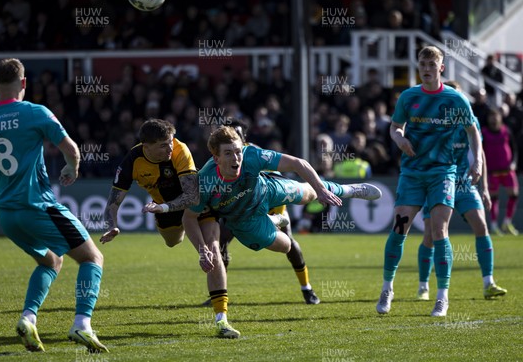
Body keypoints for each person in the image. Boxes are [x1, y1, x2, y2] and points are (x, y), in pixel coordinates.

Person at [182, 126, 381, 333]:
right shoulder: (203, 182)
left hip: (266, 191)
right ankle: (274, 221)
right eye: (228, 153)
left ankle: (351, 189)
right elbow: (189, 218)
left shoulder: (251, 155)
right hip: (244, 221)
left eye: (238, 151)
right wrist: (201, 249)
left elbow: (298, 163)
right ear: (216, 158)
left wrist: (322, 190)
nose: (236, 158)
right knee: (285, 246)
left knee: (308, 194)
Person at [0, 58, 108, 353]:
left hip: (8, 214)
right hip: (38, 205)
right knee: (92, 258)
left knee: (51, 261)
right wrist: (72, 169)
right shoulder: (35, 112)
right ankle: (82, 324)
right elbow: (71, 149)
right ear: (24, 83)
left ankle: (28, 318)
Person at [99, 119, 240, 338]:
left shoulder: (180, 150)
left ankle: (222, 320)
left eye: (171, 142)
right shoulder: (132, 161)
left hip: (197, 205)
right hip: (166, 214)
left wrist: (163, 207)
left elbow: (192, 196)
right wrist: (112, 226)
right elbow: (113, 202)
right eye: (163, 145)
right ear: (146, 147)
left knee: (213, 251)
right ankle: (187, 236)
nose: (170, 148)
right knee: (173, 241)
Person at [376, 46, 483, 317]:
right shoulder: (408, 97)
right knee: (400, 229)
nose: (426, 69)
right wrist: (399, 138)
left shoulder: (455, 99)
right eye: (423, 64)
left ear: (441, 68)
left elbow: (473, 131)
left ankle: (441, 296)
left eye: (432, 65)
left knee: (439, 231)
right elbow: (395, 126)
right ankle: (387, 288)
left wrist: (478, 161)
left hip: (443, 173)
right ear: (418, 66)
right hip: (412, 173)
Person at [416, 81, 507, 301]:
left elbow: (480, 153)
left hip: (463, 183)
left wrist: (484, 187)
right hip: (438, 181)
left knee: (481, 225)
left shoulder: (470, 120)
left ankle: (488, 283)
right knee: (430, 234)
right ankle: (423, 285)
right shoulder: (434, 121)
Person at [217, 119, 321, 304]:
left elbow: (279, 176)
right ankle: (218, 291)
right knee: (221, 242)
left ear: (244, 137)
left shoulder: (256, 153)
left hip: (268, 200)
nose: (233, 140)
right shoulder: (220, 155)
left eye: (237, 135)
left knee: (289, 242)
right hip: (241, 205)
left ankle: (307, 288)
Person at [482, 108, 519, 235]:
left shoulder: (506, 130)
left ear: (500, 117)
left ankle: (507, 222)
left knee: (514, 194)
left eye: (496, 116)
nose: (494, 119)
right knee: (493, 198)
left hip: (507, 169)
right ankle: (493, 225)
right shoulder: (484, 132)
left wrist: (514, 162)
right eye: (491, 116)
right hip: (493, 171)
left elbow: (514, 148)